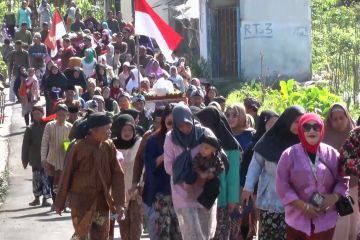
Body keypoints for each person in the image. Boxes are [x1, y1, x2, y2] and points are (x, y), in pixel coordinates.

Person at [276, 113, 348, 240]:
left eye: (316, 127)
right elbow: (282, 185)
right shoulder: (288, 155)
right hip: (297, 220)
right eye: (306, 127)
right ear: (300, 130)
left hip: (326, 219)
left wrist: (334, 197)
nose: (311, 130)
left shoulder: (332, 154)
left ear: (322, 129)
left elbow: (343, 179)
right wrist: (303, 207)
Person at [55, 112, 126, 239]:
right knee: (82, 235)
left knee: (101, 236)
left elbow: (117, 174)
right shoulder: (78, 148)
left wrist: (120, 203)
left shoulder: (108, 146)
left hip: (102, 203)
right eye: (107, 129)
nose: (110, 132)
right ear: (94, 130)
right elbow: (66, 175)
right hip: (81, 203)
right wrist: (60, 202)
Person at [241, 105, 305, 240]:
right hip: (271, 197)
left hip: (297, 201)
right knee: (270, 234)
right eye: (296, 122)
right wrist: (248, 188)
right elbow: (255, 164)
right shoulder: (269, 140)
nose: (299, 126)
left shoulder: (305, 142)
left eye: (302, 122)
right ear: (287, 121)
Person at [164, 104, 217, 239]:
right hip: (182, 191)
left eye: (187, 124)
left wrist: (203, 172)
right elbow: (168, 167)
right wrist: (187, 171)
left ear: (192, 119)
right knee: (191, 233)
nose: (185, 129)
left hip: (204, 188)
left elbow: (218, 154)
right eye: (180, 126)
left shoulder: (205, 133)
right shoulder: (171, 138)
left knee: (205, 232)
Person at [196, 106, 241, 240]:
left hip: (221, 199)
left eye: (204, 124)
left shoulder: (231, 147)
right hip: (201, 199)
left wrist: (232, 200)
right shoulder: (200, 143)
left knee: (220, 233)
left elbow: (233, 176)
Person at [141, 104, 182, 239]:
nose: (173, 127)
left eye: (176, 123)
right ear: (164, 122)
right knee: (161, 234)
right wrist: (166, 154)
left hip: (182, 195)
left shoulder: (187, 138)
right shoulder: (154, 140)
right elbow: (150, 166)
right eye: (169, 123)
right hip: (160, 195)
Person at [322, 103, 359, 240]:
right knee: (339, 221)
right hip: (333, 186)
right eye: (335, 119)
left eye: (341, 118)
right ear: (330, 120)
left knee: (353, 218)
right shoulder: (323, 136)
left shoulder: (355, 134)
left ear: (347, 116)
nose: (338, 122)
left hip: (354, 184)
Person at [240, 110, 279, 240]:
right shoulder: (257, 145)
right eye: (270, 124)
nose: (274, 128)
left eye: (277, 124)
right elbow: (250, 168)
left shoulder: (284, 143)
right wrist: (248, 188)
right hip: (259, 189)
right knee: (261, 218)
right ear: (263, 126)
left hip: (279, 194)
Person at [112, 114, 143, 240]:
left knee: (136, 224)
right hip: (119, 193)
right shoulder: (112, 145)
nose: (127, 133)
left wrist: (140, 185)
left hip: (136, 190)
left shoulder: (139, 143)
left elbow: (143, 165)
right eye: (124, 130)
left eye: (130, 130)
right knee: (124, 225)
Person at [41, 104, 72, 210]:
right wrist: (43, 158)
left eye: (63, 115)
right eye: (59, 115)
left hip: (65, 160)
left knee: (65, 182)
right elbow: (44, 142)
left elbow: (71, 144)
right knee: (52, 182)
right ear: (56, 115)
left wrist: (68, 150)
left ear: (67, 115)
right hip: (52, 159)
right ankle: (55, 204)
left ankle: (65, 204)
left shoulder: (69, 127)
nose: (61, 118)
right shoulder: (49, 126)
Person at [21, 105, 51, 207]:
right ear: (32, 116)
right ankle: (36, 198)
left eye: (39, 114)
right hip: (34, 158)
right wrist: (24, 159)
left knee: (46, 178)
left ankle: (45, 199)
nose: (37, 116)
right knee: (36, 178)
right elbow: (25, 145)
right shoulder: (30, 128)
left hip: (47, 157)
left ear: (43, 114)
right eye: (34, 114)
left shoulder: (48, 126)